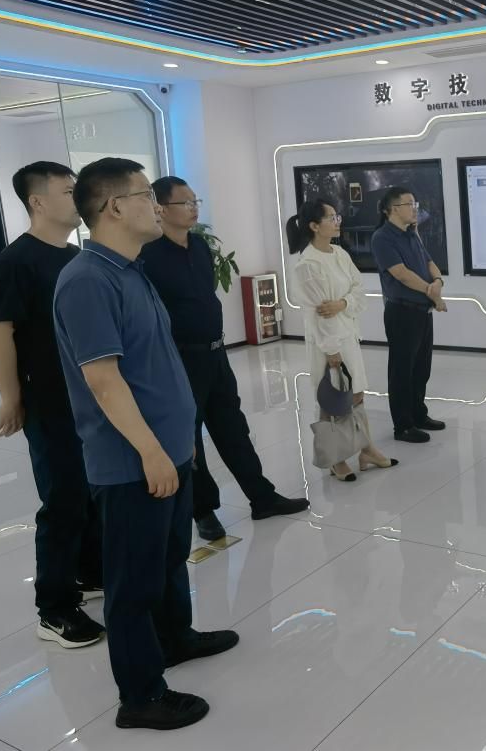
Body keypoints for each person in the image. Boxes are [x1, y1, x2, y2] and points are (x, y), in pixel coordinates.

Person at [53, 158, 238, 731]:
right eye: (144, 196)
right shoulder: (88, 281)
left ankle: (175, 638)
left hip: (167, 449)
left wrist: (177, 444)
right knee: (132, 583)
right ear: (114, 207)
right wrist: (152, 452)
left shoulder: (131, 269)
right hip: (132, 462)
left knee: (168, 560)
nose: (156, 207)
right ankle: (140, 695)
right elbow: (103, 380)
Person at [139, 176, 308, 541]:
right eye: (185, 202)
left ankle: (261, 496)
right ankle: (203, 511)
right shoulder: (148, 256)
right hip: (181, 361)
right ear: (161, 209)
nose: (194, 208)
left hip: (216, 355)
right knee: (191, 437)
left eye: (195, 201)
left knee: (233, 428)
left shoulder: (199, 246)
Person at [0, 161, 104, 650]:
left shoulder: (75, 256)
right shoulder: (17, 261)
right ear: (37, 201)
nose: (78, 197)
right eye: (69, 191)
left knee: (90, 489)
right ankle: (54, 609)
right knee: (63, 498)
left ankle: (89, 571)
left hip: (86, 395)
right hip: (49, 400)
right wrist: (11, 397)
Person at [286, 198, 397, 480]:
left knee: (357, 394)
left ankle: (367, 449)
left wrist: (343, 303)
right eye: (331, 218)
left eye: (337, 217)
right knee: (332, 400)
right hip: (328, 344)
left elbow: (359, 291)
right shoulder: (307, 264)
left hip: (348, 335)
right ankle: (336, 458)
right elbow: (318, 314)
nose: (338, 222)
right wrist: (331, 350)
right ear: (314, 226)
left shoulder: (339, 253)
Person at [370, 186, 448, 444]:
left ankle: (418, 415)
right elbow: (401, 274)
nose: (415, 209)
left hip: (422, 311)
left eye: (415, 204)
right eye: (410, 204)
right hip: (402, 312)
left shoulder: (412, 233)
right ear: (392, 209)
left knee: (421, 368)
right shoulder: (382, 238)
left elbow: (429, 262)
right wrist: (431, 291)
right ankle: (403, 426)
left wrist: (438, 281)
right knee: (402, 371)